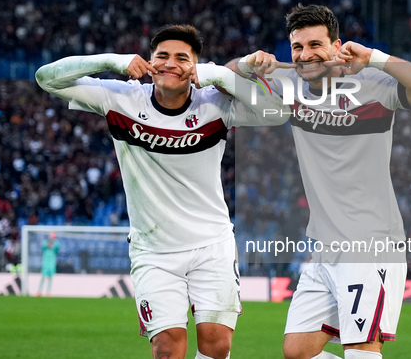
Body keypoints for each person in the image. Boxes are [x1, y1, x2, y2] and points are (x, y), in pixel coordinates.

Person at [36, 24, 289, 359]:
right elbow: (46, 77)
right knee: (168, 348)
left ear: (196, 66)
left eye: (182, 58)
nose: (171, 63)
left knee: (217, 345)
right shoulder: (121, 98)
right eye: (163, 56)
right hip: (153, 251)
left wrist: (217, 75)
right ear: (150, 62)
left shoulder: (216, 104)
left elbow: (279, 111)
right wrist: (115, 60)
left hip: (211, 244)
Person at [234, 4, 411, 359]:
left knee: (361, 351)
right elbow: (220, 79)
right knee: (297, 352)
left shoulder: (373, 85)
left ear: (336, 46)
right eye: (297, 47)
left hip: (369, 244)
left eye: (315, 45)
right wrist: (245, 65)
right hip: (322, 247)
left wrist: (375, 57)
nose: (305, 54)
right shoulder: (290, 87)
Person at [37, 232, 60, 297]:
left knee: (50, 278)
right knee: (43, 277)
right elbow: (43, 246)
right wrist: (48, 243)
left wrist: (54, 242)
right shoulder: (45, 243)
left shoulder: (55, 245)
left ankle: (48, 292)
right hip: (45, 263)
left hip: (51, 263)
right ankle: (39, 291)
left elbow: (57, 247)